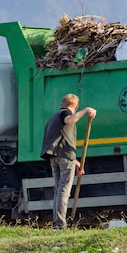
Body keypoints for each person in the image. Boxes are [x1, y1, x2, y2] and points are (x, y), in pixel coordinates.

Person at [40, 93, 97, 229]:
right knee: (63, 191)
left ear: (61, 103)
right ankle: (60, 224)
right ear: (76, 106)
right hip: (64, 158)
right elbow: (70, 120)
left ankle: (57, 222)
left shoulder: (53, 117)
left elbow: (61, 140)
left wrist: (76, 163)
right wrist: (86, 110)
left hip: (56, 157)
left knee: (58, 191)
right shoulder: (65, 114)